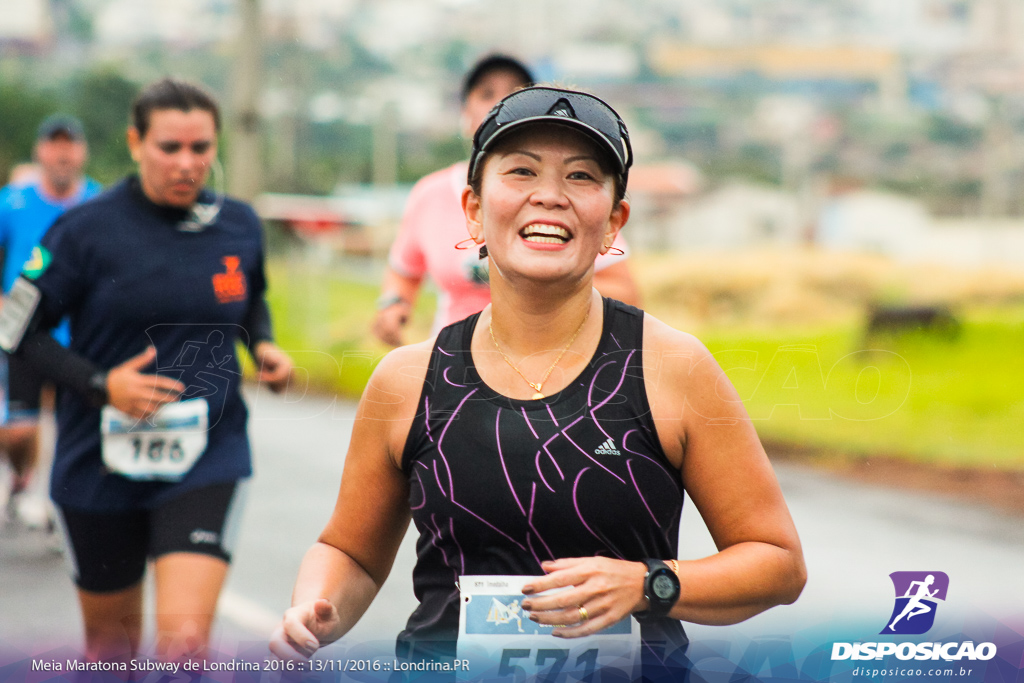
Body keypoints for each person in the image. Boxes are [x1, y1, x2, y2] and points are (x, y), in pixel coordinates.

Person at [271, 87, 806, 679]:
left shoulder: (673, 367)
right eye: (521, 171)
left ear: (614, 223)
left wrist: (647, 582)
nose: (549, 196)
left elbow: (777, 563)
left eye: (581, 177)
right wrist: (315, 607)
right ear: (473, 210)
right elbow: (350, 554)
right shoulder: (407, 379)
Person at [0, 78, 293, 664]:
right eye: (169, 147)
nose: (188, 163)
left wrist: (263, 345)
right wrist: (101, 384)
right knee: (112, 656)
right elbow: (16, 331)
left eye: (201, 147)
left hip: (209, 451)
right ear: (136, 142)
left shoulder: (238, 224)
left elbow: (250, 298)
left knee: (185, 651)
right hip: (98, 459)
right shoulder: (83, 231)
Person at [373, 54, 641, 347]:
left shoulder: (575, 204)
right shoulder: (429, 194)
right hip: (453, 364)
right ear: (473, 210)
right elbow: (403, 272)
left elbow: (624, 291)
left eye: (516, 92)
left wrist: (535, 279)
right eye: (486, 93)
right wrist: (393, 304)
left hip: (554, 355)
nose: (548, 197)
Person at [0, 114, 101, 526]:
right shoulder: (13, 202)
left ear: (82, 151)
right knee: (19, 431)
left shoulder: (97, 202)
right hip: (24, 332)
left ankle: (60, 509)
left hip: (77, 338)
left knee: (73, 430)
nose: (62, 153)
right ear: (41, 150)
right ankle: (22, 472)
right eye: (54, 144)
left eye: (70, 144)